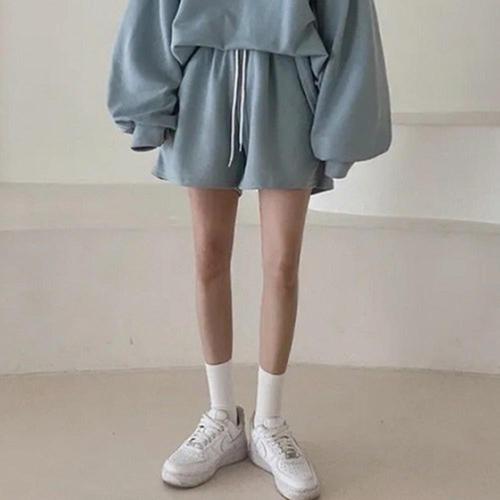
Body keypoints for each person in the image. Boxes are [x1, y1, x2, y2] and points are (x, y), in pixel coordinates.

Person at [107, 1, 391, 498]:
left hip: (288, 88)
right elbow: (154, 12)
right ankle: (222, 417)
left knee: (281, 265)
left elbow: (347, 24)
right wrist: (148, 103)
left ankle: (269, 423)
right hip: (204, 86)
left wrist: (339, 125)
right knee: (208, 256)